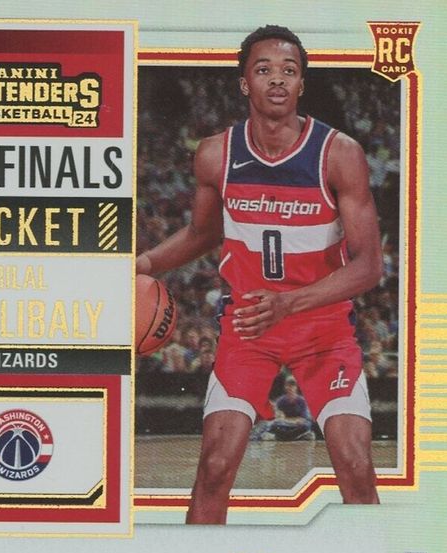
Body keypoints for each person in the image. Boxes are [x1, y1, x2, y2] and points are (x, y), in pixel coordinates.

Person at [136, 25, 383, 523]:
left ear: (302, 84)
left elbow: (369, 265)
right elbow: (204, 232)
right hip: (249, 327)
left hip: (324, 329)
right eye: (264, 69)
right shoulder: (216, 153)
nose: (277, 79)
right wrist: (141, 265)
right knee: (214, 467)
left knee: (356, 468)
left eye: (289, 71)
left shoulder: (339, 154)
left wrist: (290, 302)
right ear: (244, 82)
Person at [259, 376, 315, 441]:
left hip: (297, 425)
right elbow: (278, 418)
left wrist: (290, 420)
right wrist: (289, 420)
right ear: (285, 387)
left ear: (296, 387)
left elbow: (304, 418)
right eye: (288, 385)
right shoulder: (280, 401)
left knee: (306, 425)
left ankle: (286, 437)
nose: (290, 388)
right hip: (284, 424)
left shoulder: (302, 401)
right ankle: (293, 437)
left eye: (293, 385)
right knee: (272, 425)